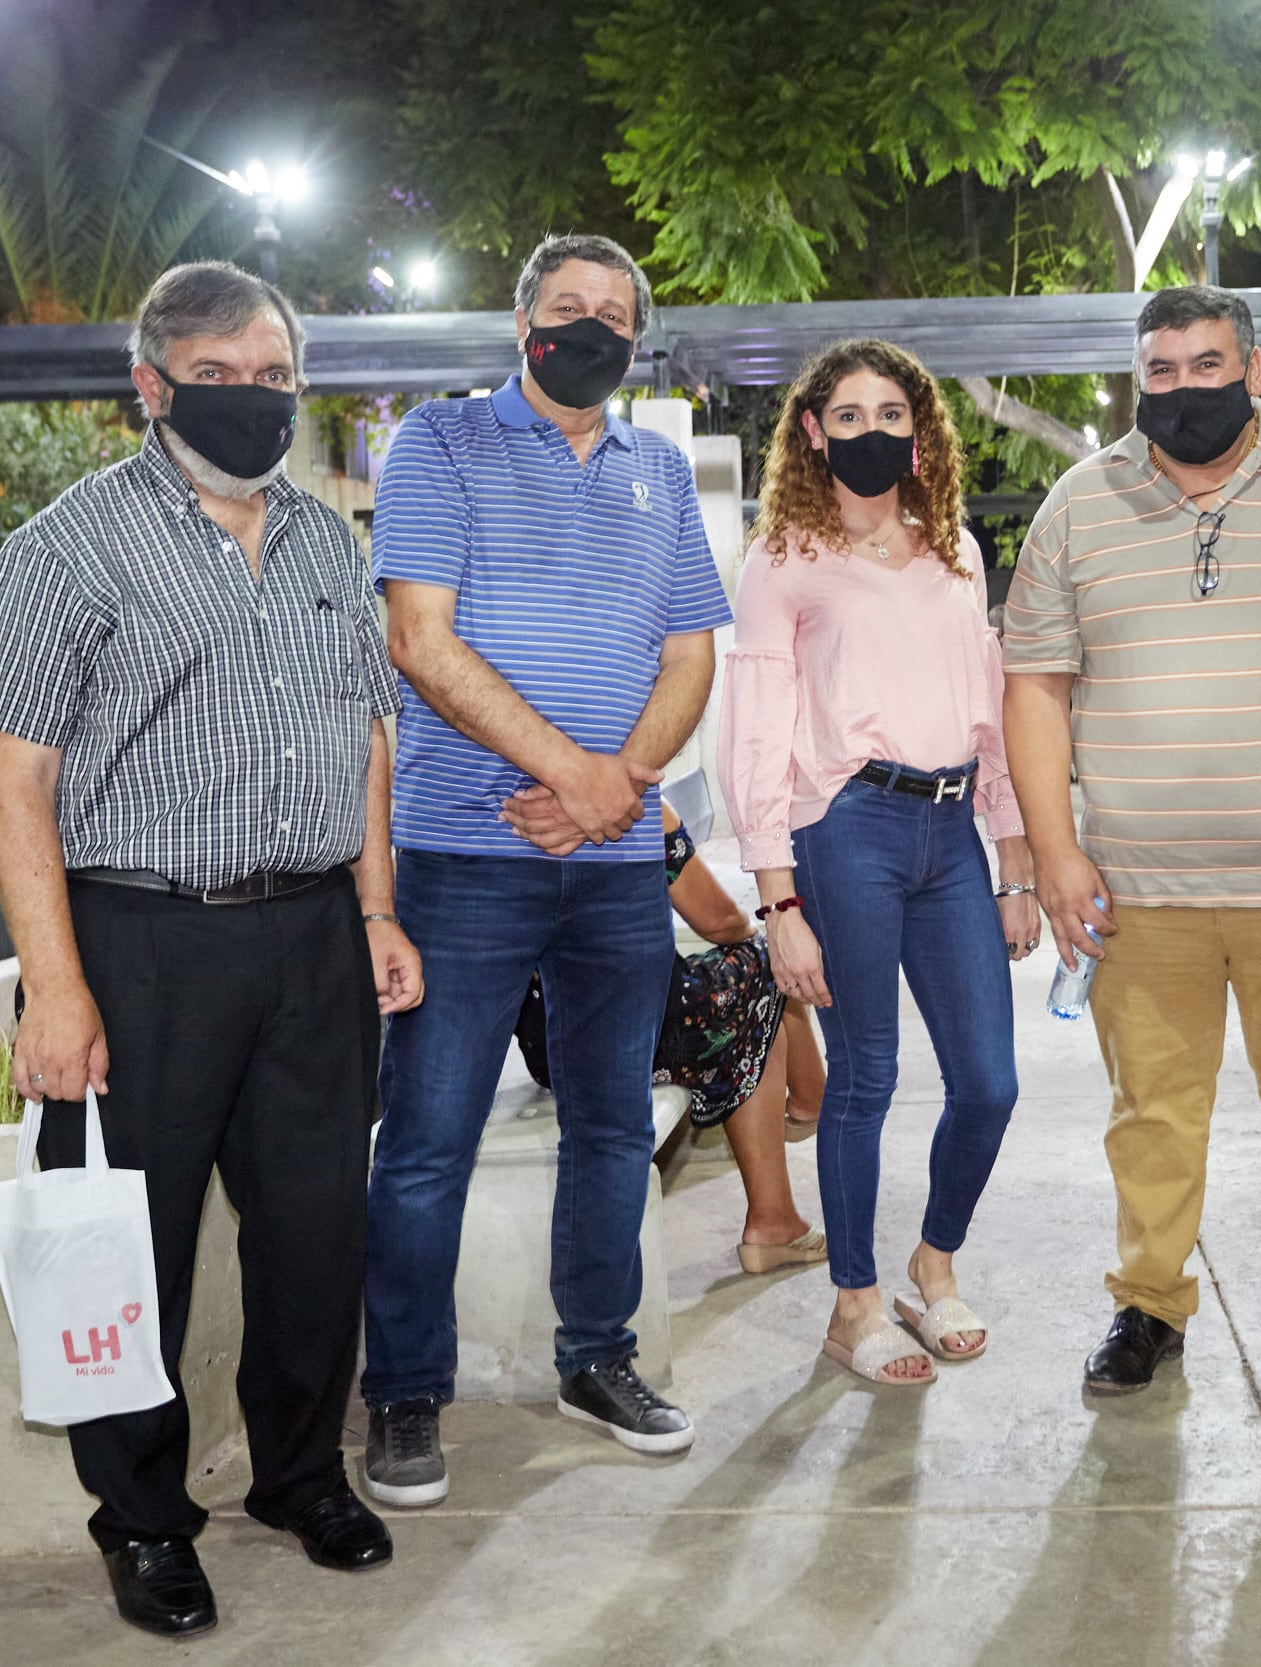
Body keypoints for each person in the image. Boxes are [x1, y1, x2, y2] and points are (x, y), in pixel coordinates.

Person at [0, 260, 424, 1638]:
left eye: (272, 373)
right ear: (149, 385)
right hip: (141, 936)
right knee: (128, 1245)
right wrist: (56, 984)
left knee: (313, 1228)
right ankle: (145, 1514)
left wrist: (378, 909)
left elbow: (368, 741)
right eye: (216, 376)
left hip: (312, 933)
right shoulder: (67, 546)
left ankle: (297, 1474)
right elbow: (13, 778)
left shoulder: (333, 540)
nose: (250, 398)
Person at [1002, 285, 1261, 1398]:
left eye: (1205, 364)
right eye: (1160, 371)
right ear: (1136, 378)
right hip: (1139, 889)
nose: (1184, 387)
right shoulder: (1078, 505)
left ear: (1254, 366)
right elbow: (1036, 688)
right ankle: (1146, 1303)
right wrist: (1055, 852)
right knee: (1150, 1112)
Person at [360, 233, 729, 1497]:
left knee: (615, 1124)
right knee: (426, 1135)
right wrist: (579, 774)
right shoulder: (438, 444)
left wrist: (612, 784)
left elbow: (691, 655)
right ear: (521, 323)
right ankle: (405, 1391)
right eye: (566, 307)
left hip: (618, 861)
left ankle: (598, 1353)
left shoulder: (659, 472)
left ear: (639, 337)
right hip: (465, 855)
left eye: (615, 312)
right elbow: (419, 639)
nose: (591, 326)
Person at [721, 337, 1038, 1387]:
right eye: (847, 416)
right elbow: (755, 727)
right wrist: (778, 896)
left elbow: (989, 714)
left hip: (951, 833)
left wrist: (1013, 856)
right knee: (865, 1073)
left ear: (919, 430)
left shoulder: (952, 550)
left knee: (988, 1082)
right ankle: (853, 1303)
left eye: (889, 414)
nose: (870, 431)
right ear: (812, 432)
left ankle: (930, 1263)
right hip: (845, 825)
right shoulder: (781, 558)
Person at [511, 805, 825, 1272]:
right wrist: (757, 933)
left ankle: (781, 1203)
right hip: (641, 1031)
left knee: (747, 1014)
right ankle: (810, 1106)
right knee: (762, 959)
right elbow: (719, 921)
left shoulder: (502, 802)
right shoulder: (633, 803)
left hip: (549, 1046)